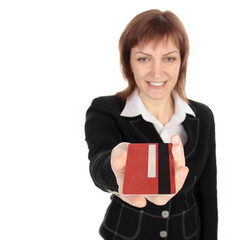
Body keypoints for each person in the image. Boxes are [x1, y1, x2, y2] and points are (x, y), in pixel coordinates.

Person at [85, 9, 217, 240]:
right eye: (144, 58)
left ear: (181, 61)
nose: (157, 72)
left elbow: (207, 193)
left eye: (169, 58)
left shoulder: (202, 116)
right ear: (129, 62)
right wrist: (114, 168)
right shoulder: (105, 110)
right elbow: (99, 163)